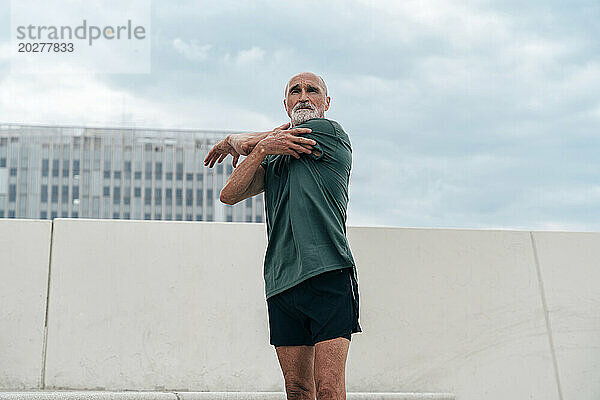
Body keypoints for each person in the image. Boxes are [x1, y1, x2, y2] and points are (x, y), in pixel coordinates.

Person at [204, 72, 361, 400]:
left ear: (327, 103)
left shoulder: (329, 133)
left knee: (328, 388)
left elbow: (250, 143)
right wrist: (261, 150)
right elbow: (228, 195)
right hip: (281, 281)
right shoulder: (273, 153)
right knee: (297, 389)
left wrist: (236, 140)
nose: (304, 96)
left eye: (312, 90)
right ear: (286, 104)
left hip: (328, 273)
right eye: (295, 91)